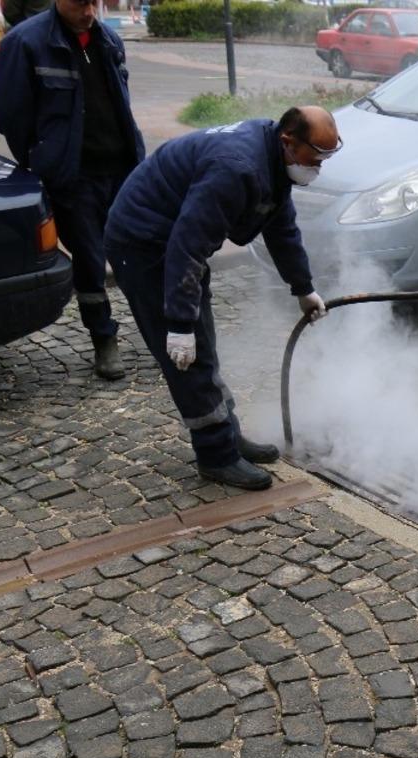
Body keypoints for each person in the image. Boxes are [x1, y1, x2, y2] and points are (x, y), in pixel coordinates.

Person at [102, 107, 334, 491]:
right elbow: (187, 246)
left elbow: (282, 229)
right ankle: (216, 456)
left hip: (173, 241)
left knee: (204, 347)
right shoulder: (237, 167)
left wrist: (302, 288)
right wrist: (177, 324)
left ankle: (228, 434)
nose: (319, 168)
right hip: (142, 243)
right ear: (288, 141)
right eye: (316, 157)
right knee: (188, 359)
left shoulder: (273, 160)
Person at [0, 0, 144, 380]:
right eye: (79, 2)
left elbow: (120, 102)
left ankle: (160, 332)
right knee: (91, 263)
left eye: (94, 1)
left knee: (141, 253)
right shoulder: (25, 43)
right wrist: (43, 157)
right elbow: (8, 113)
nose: (88, 10)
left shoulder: (108, 39)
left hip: (123, 170)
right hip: (73, 178)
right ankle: (103, 339)